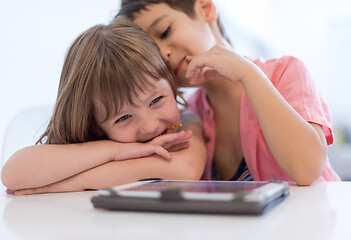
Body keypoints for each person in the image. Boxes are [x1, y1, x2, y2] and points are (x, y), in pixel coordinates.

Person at [117, 0, 341, 185]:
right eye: (152, 51)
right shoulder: (187, 115)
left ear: (205, 9)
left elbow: (307, 169)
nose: (163, 54)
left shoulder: (286, 72)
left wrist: (247, 73)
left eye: (165, 31)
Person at [1, 18, 206, 195]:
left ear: (171, 84)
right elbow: (12, 174)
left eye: (156, 100)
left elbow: (186, 170)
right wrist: (113, 152)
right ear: (95, 125)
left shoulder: (186, 123)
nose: (150, 126)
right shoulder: (95, 141)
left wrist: (75, 182)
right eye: (123, 117)